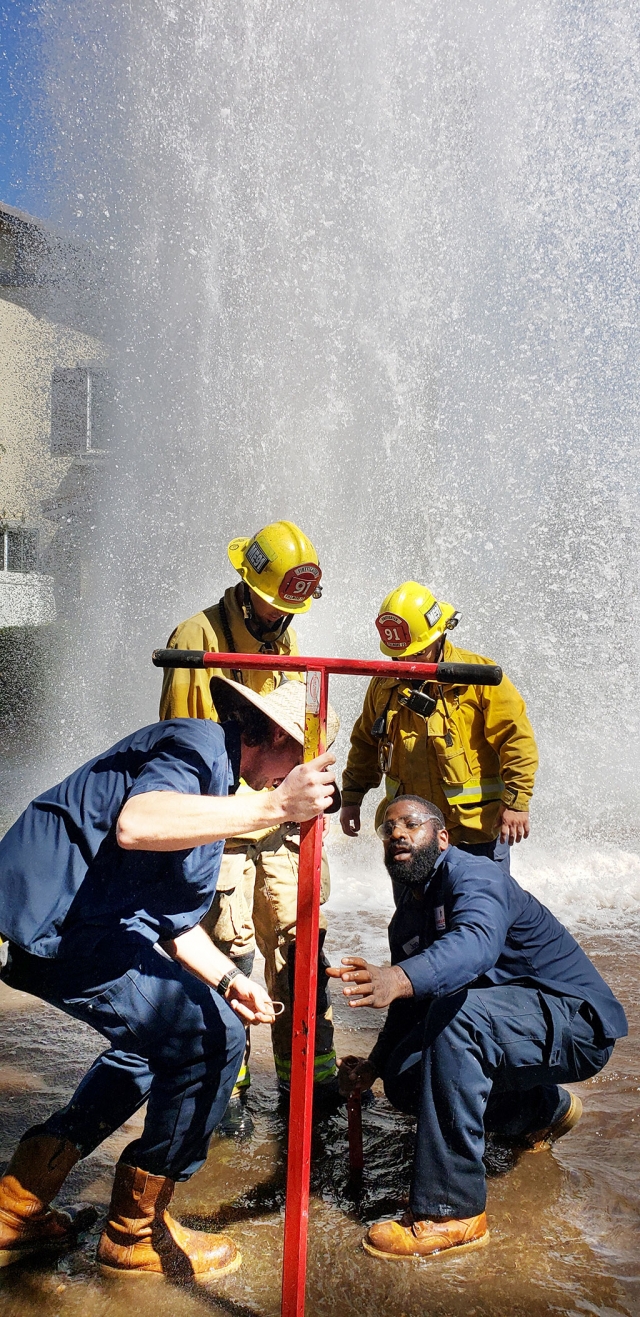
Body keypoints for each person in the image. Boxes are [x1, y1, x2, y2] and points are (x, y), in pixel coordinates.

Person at [0, 679, 337, 1280]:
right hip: (61, 922)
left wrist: (233, 980)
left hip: (80, 924)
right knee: (211, 1041)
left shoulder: (217, 790)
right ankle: (135, 1234)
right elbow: (137, 821)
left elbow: (172, 925)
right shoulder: (196, 745)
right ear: (280, 738)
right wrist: (278, 807)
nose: (303, 777)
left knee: (155, 1045)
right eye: (303, 760)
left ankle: (17, 1204)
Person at [329, 795, 627, 1261]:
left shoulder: (477, 876)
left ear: (442, 837)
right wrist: (374, 1065)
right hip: (513, 1026)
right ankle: (540, 1111)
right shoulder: (408, 914)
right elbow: (409, 1010)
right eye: (388, 831)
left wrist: (399, 976)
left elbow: (476, 945)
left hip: (576, 1022)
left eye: (412, 824)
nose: (398, 835)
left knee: (458, 1016)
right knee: (407, 1075)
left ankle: (453, 1211)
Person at [160, 520, 338, 1126]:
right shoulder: (199, 635)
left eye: (293, 606)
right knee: (226, 957)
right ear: (247, 582)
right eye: (275, 601)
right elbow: (183, 746)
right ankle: (224, 1096)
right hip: (227, 827)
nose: (283, 615)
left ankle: (309, 1093)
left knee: (299, 951)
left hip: (281, 826)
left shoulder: (282, 637)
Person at [340, 581, 539, 875]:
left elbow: (516, 739)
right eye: (398, 656)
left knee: (476, 917)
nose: (406, 664)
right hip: (411, 835)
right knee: (413, 921)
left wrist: (517, 802)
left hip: (473, 834)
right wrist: (352, 798)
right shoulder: (383, 685)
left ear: (440, 636)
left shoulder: (480, 677)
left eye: (417, 654)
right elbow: (365, 745)